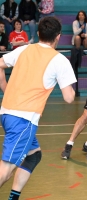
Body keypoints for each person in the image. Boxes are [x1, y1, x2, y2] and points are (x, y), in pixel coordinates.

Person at [0, 16, 76, 200]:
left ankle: (14, 197)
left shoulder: (24, 49)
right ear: (58, 37)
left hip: (6, 113)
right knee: (7, 167)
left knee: (34, 155)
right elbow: (68, 98)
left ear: (39, 33)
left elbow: (1, 63)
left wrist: (5, 87)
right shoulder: (59, 60)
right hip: (24, 119)